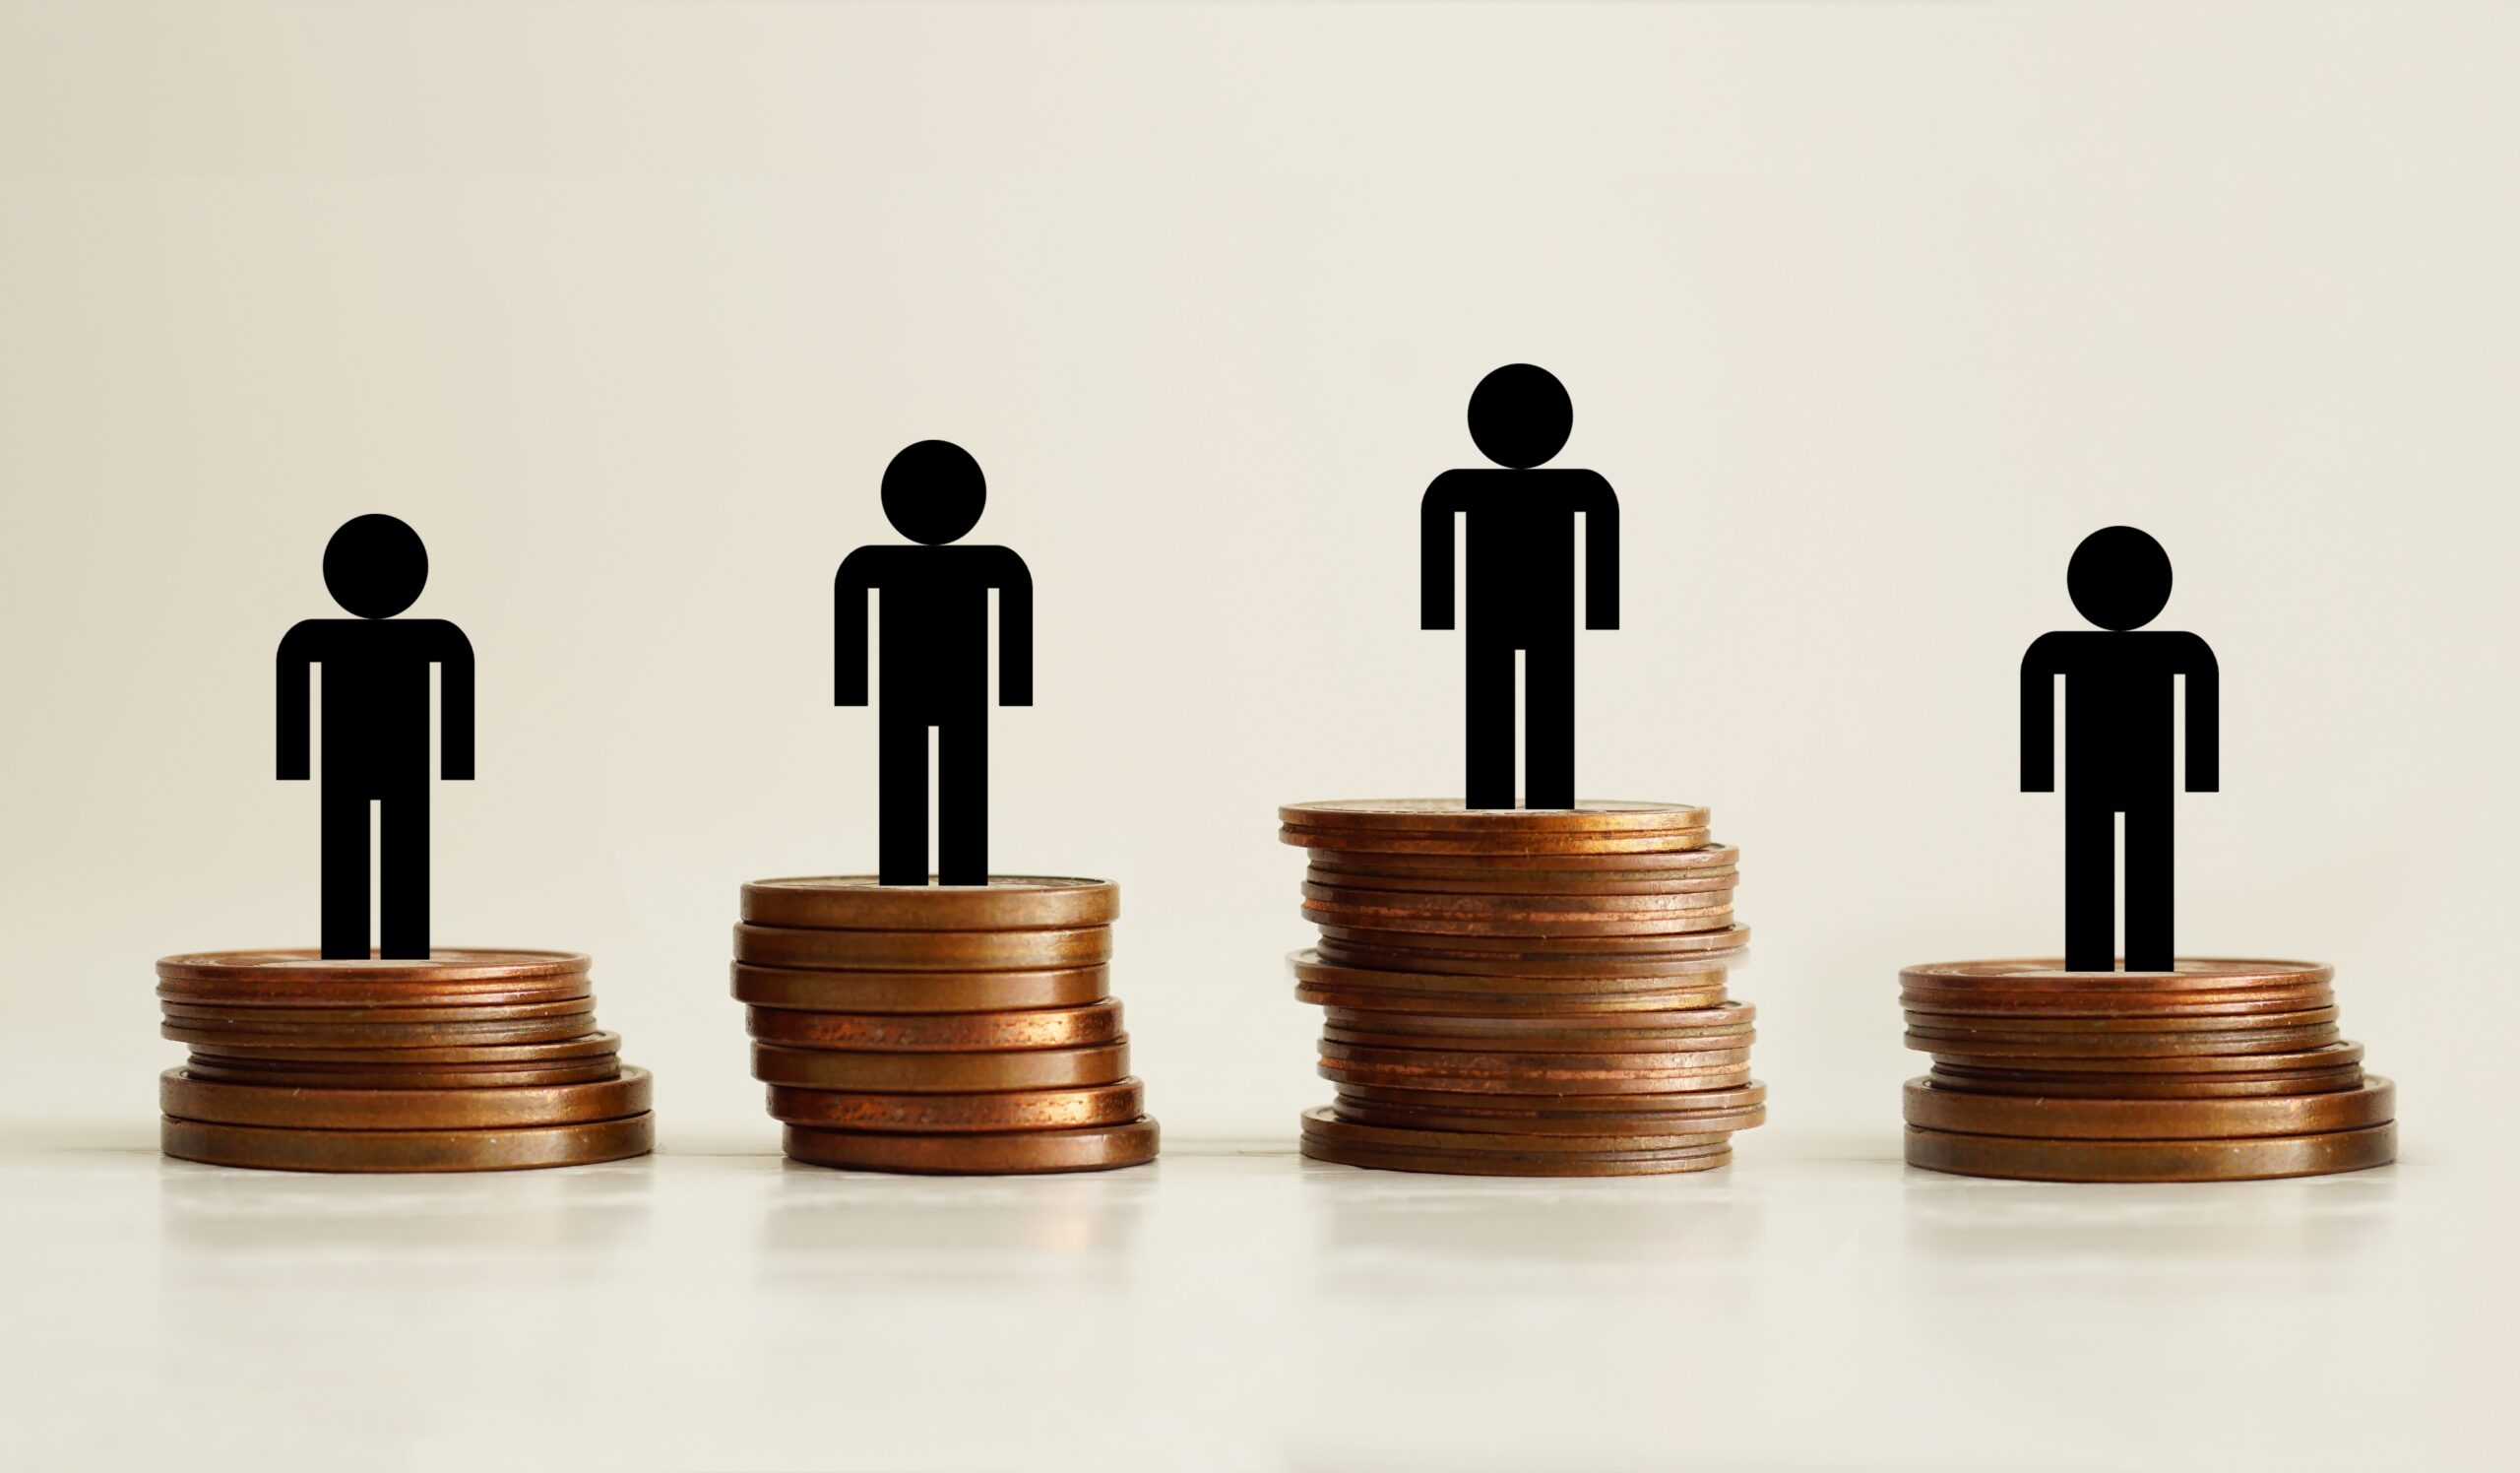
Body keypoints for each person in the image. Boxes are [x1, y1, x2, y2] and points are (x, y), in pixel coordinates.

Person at [2020, 525, 2220, 972]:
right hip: (2109, 780)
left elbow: (2202, 695)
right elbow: (2036, 692)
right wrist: (2038, 773)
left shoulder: (2177, 648)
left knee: (2144, 873)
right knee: (2096, 872)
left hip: (2129, 780)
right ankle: (2098, 963)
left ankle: (2140, 963)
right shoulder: (2061, 648)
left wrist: (2201, 773)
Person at [1419, 363, 1619, 809]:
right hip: (1515, 617)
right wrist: (1438, 611)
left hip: (1526, 617)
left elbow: (1603, 527)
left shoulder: (1462, 486)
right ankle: (1499, 797)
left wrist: (1440, 611)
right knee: (1496, 708)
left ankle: (1543, 799)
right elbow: (1436, 526)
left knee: (1543, 708)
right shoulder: (1579, 486)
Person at [276, 514, 474, 959]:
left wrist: (456, 760)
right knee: (349, 860)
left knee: (400, 860)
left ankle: (396, 949)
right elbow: (292, 681)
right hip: (360, 768)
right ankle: (351, 951)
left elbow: (458, 679)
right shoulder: (316, 637)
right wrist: (293, 761)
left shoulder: (433, 637)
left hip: (389, 768)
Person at [835, 440, 1034, 886]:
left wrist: (1014, 688)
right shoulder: (992, 562)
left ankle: (954, 876)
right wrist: (1013, 688)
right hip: (922, 694)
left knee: (957, 785)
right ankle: (914, 876)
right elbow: (850, 601)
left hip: (942, 694)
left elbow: (1016, 605)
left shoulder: (991, 563)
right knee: (909, 785)